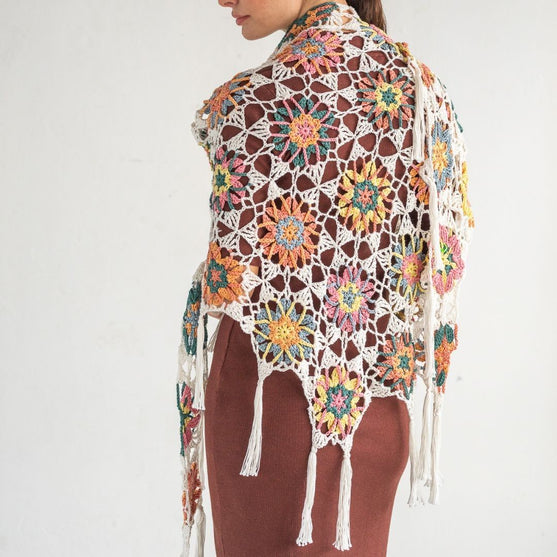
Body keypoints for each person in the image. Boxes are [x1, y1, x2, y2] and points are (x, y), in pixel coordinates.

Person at [176, 1, 474, 556]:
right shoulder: (422, 92)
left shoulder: (244, 106)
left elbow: (233, 279)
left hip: (265, 405)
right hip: (376, 405)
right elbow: (436, 267)